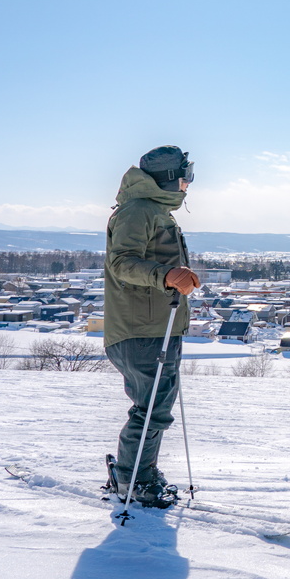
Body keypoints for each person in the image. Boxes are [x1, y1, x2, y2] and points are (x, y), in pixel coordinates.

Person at [102, 145, 200, 508]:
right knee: (152, 408)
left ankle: (138, 471)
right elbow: (122, 262)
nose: (189, 185)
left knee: (154, 405)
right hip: (140, 328)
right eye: (186, 176)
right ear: (171, 179)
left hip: (156, 325)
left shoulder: (154, 211)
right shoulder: (139, 210)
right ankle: (132, 479)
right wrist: (166, 275)